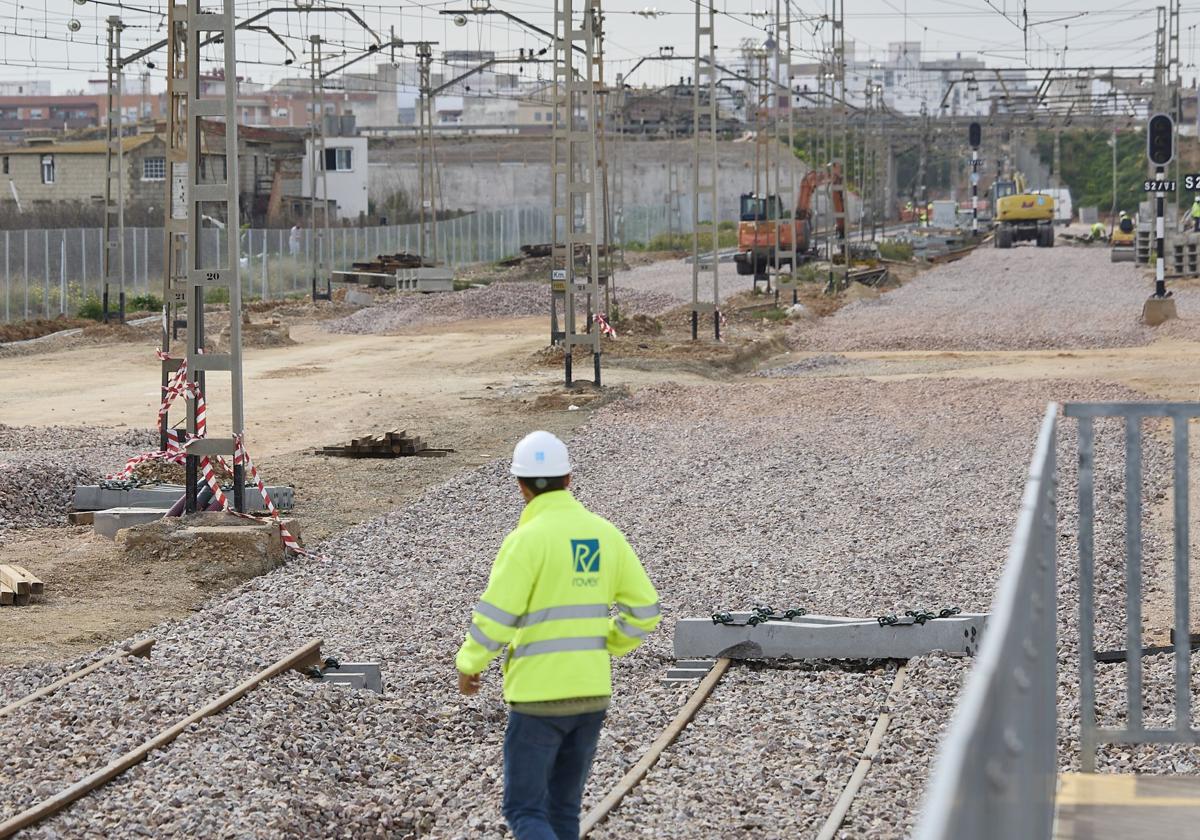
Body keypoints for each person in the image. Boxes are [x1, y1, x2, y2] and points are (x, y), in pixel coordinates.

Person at [456, 431, 660, 840]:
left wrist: (469, 664)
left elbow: (496, 617)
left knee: (524, 810)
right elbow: (645, 611)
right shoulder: (605, 534)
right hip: (591, 694)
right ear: (569, 478)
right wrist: (607, 643)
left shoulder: (525, 541)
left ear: (521, 486)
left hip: (538, 699)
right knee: (563, 810)